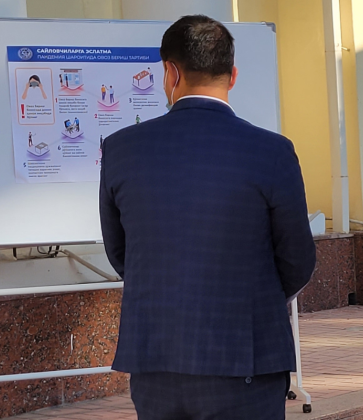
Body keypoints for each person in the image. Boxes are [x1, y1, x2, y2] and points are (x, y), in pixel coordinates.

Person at [98, 15, 317, 419]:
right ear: (232, 76)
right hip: (246, 358)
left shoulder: (120, 149)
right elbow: (298, 260)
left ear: (170, 72)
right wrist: (252, 299)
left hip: (155, 357)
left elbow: (120, 253)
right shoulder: (271, 151)